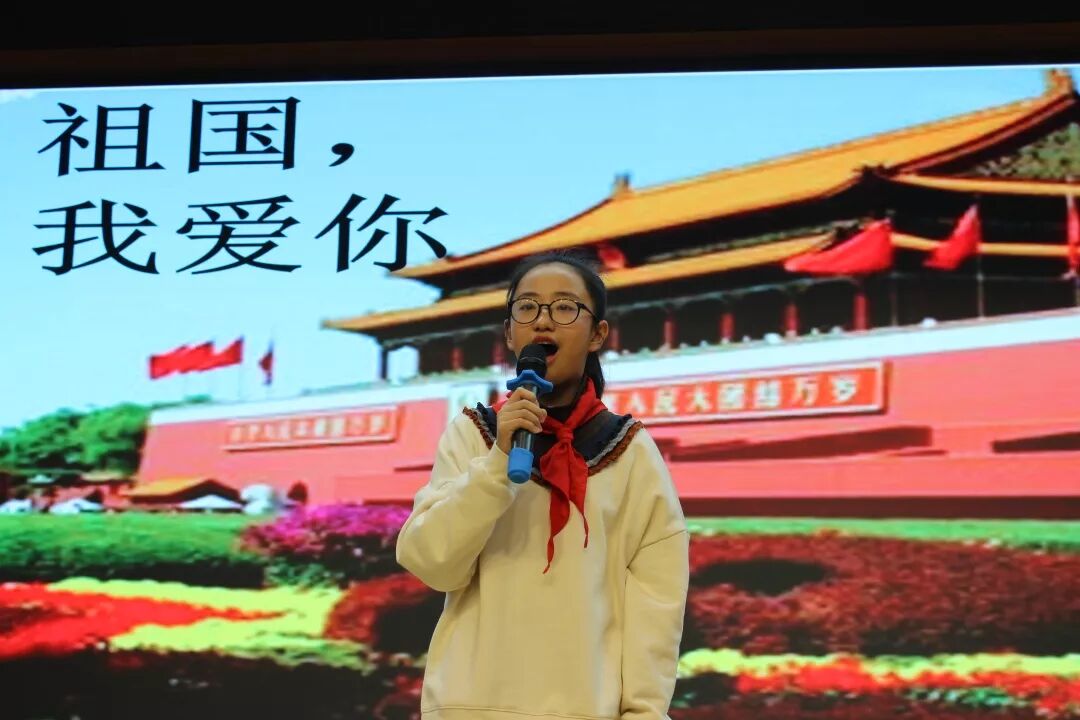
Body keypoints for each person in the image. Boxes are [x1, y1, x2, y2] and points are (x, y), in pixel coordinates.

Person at [396, 250, 689, 719]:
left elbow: (657, 603)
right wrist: (497, 465)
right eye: (527, 307)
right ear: (510, 333)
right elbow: (433, 563)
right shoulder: (473, 434)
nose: (543, 321)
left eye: (565, 307)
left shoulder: (630, 450)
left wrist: (644, 711)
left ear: (598, 334)